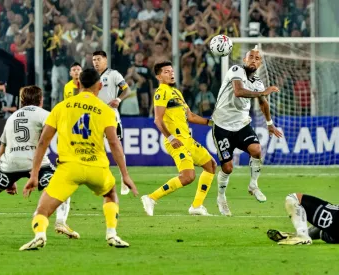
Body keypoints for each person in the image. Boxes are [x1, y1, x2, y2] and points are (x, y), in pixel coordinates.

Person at [19, 69, 138, 251]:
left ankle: (40, 235)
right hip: (97, 168)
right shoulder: (106, 110)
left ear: (77, 84)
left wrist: (34, 174)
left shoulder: (61, 107)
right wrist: (125, 175)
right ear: (100, 86)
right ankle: (112, 233)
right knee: (110, 193)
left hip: (69, 169)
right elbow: (114, 143)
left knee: (42, 210)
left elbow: (43, 141)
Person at [0, 86, 78, 239]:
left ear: (21, 100)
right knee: (63, 186)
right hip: (35, 163)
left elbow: (2, 148)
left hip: (9, 163)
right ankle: (60, 221)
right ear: (40, 100)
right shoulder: (45, 114)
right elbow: (58, 134)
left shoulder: (12, 118)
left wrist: (9, 180)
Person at [211, 47, 282, 216]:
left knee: (257, 150)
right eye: (251, 57)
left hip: (242, 125)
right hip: (222, 126)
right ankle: (221, 198)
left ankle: (253, 185)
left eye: (257, 58)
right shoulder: (236, 70)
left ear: (260, 63)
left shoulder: (257, 82)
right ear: (244, 60)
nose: (254, 60)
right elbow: (238, 91)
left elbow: (263, 103)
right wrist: (262, 92)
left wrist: (270, 123)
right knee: (227, 168)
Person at [140, 61, 216, 216]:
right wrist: (171, 137)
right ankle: (151, 198)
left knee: (211, 166)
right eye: (166, 71)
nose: (171, 73)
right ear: (158, 76)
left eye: (172, 71)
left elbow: (191, 116)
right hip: (176, 141)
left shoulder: (177, 93)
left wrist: (213, 123)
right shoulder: (161, 92)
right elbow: (157, 120)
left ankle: (196, 206)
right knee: (188, 176)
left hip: (187, 139)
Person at [92, 50, 132, 195]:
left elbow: (127, 90)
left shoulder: (114, 74)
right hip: (95, 116)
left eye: (98, 59)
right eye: (94, 60)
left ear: (105, 60)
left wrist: (118, 99)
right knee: (97, 148)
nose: (95, 62)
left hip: (111, 116)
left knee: (116, 146)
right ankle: (103, 179)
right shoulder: (91, 76)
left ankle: (124, 178)